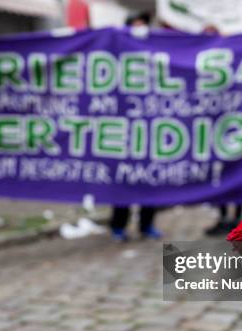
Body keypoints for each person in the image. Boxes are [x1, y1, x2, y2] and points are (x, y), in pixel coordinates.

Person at [110, 11, 162, 242]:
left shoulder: (157, 55)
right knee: (123, 185)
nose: (140, 29)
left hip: (149, 135)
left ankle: (146, 225)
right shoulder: (116, 57)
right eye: (135, 25)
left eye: (143, 25)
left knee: (149, 185)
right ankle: (118, 226)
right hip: (123, 136)